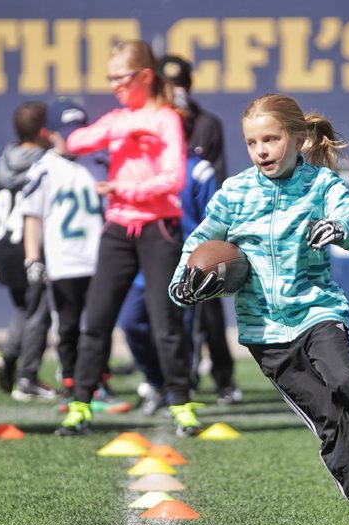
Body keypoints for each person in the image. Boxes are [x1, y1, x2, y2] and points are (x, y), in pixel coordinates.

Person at [169, 93, 349, 525]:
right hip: (266, 337)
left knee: (346, 380)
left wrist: (339, 229)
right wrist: (182, 282)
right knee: (333, 426)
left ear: (297, 139)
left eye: (271, 139)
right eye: (252, 142)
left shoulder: (321, 184)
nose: (261, 150)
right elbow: (199, 243)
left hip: (318, 314)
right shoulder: (235, 193)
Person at [55, 39, 199, 437]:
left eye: (122, 78)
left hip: (159, 229)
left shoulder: (167, 119)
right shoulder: (120, 118)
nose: (115, 85)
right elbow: (75, 142)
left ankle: (181, 403)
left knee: (165, 321)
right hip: (118, 230)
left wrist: (124, 186)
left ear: (145, 77)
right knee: (96, 319)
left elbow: (173, 179)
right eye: (111, 78)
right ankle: (80, 404)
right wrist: (127, 125)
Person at [20, 97, 131, 415]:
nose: (72, 139)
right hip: (64, 261)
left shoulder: (96, 163)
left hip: (99, 259)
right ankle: (71, 385)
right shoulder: (44, 169)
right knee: (67, 327)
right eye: (64, 132)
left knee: (99, 325)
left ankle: (100, 383)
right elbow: (33, 217)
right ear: (48, 133)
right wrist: (33, 258)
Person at [158, 54, 241, 404]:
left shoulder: (207, 123)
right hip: (162, 233)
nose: (177, 91)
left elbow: (217, 180)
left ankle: (224, 378)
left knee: (208, 309)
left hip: (199, 231)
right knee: (166, 312)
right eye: (169, 85)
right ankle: (173, 380)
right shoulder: (153, 123)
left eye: (182, 84)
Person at [118, 149, 219, 415]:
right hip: (148, 261)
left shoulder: (198, 170)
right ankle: (155, 381)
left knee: (180, 330)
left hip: (184, 265)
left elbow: (214, 220)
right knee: (131, 321)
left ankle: (182, 389)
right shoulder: (144, 165)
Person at [0, 101, 56, 402]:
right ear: (43, 131)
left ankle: (7, 356)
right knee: (39, 313)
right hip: (30, 246)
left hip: (3, 245)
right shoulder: (46, 163)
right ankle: (28, 377)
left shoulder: (3, 159)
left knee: (25, 308)